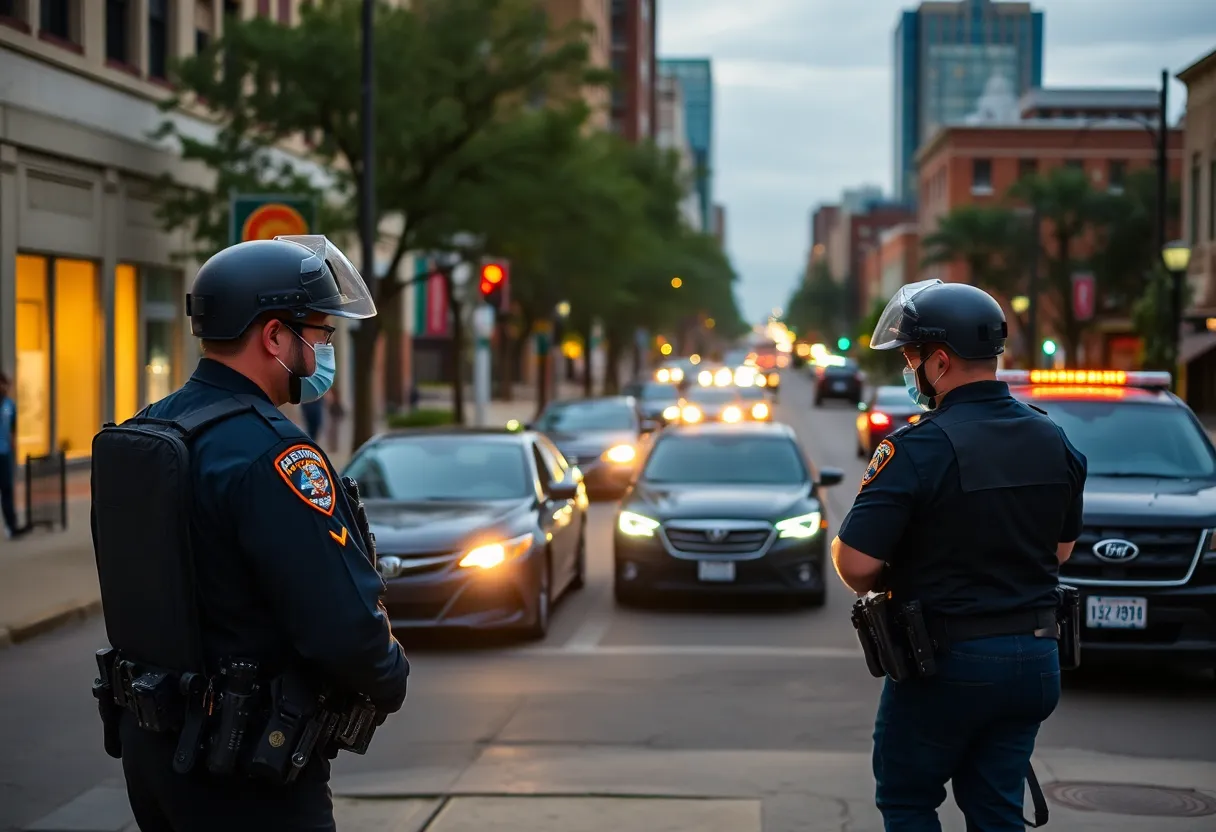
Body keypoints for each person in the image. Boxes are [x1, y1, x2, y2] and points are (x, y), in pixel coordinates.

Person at [91, 236, 409, 832]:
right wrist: (391, 673)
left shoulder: (149, 429)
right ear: (273, 336)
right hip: (245, 772)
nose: (322, 349)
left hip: (153, 754)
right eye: (318, 332)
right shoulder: (276, 454)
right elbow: (342, 626)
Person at [831, 279, 1087, 831]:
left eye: (910, 358)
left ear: (939, 361)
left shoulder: (915, 446)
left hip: (948, 662)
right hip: (1036, 661)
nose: (909, 370)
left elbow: (855, 566)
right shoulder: (1053, 437)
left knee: (908, 800)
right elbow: (1060, 550)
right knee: (996, 809)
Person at [0, 371, 25, 539]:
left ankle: (12, 525)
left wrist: (13, 446)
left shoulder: (10, 405)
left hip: (4, 454)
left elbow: (13, 430)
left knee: (7, 490)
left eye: (5, 383)